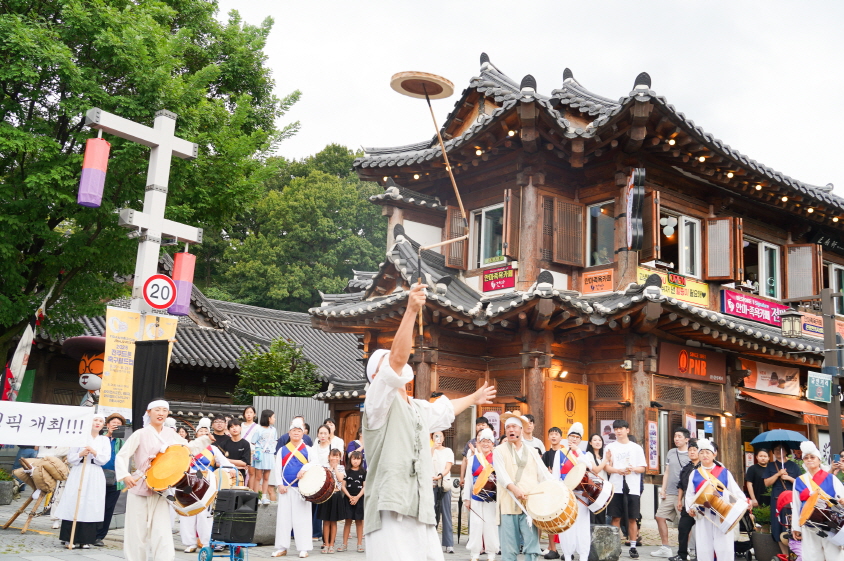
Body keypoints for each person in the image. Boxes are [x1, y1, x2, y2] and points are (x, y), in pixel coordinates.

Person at [361, 283, 496, 561]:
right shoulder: (376, 401)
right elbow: (398, 359)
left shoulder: (417, 407)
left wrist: (474, 397)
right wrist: (410, 310)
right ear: (377, 374)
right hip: (391, 505)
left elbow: (446, 410)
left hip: (420, 506)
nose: (396, 361)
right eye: (387, 362)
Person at [115, 399, 211, 561]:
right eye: (157, 410)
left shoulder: (170, 434)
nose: (161, 414)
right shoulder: (140, 433)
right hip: (140, 485)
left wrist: (205, 440)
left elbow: (187, 449)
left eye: (164, 411)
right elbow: (122, 455)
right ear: (148, 412)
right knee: (136, 531)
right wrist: (125, 475)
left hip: (161, 488)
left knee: (162, 530)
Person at [493, 412, 553, 561]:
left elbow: (544, 474)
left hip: (529, 505)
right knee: (509, 547)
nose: (510, 430)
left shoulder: (532, 452)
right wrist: (515, 490)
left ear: (521, 429)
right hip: (508, 504)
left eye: (514, 427)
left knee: (532, 546)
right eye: (507, 427)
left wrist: (559, 488)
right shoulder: (499, 451)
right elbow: (501, 476)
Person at [54, 413, 111, 548]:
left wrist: (94, 452)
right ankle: (69, 537)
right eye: (95, 420)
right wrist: (81, 454)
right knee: (74, 501)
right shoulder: (79, 438)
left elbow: (105, 458)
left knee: (90, 502)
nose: (97, 423)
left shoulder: (104, 440)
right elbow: (71, 457)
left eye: (100, 421)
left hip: (95, 472)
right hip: (79, 470)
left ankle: (86, 539)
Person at [180, 424, 238, 553]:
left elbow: (224, 462)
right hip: (187, 483)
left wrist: (231, 469)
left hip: (206, 484)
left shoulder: (212, 449)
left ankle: (206, 542)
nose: (203, 433)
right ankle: (190, 543)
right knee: (188, 513)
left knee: (204, 514)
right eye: (201, 431)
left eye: (206, 431)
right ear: (196, 434)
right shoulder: (187, 447)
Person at [684, 439, 746, 561]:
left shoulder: (724, 472)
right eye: (701, 452)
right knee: (704, 545)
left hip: (722, 512)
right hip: (703, 513)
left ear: (714, 454)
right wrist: (690, 508)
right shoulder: (695, 473)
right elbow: (690, 494)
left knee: (724, 545)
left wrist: (744, 503)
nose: (704, 455)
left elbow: (736, 491)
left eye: (708, 452)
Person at [272, 417, 315, 558]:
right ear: (289, 433)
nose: (296, 433)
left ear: (303, 433)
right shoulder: (282, 450)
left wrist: (305, 468)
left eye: (299, 431)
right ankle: (281, 547)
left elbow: (315, 464)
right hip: (286, 488)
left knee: (302, 518)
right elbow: (277, 469)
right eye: (293, 431)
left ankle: (304, 548)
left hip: (301, 490)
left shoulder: (308, 450)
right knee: (283, 519)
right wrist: (280, 484)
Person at [792, 441, 842, 560]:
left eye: (812, 457)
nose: (809, 460)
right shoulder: (799, 480)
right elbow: (796, 504)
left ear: (819, 459)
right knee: (811, 556)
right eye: (806, 458)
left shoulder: (831, 478)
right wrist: (796, 527)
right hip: (809, 524)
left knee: (834, 556)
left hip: (830, 524)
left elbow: (842, 497)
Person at [552, 423, 594, 561]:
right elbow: (556, 475)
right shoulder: (560, 453)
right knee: (567, 524)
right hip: (566, 493)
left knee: (582, 524)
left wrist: (578, 452)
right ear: (568, 438)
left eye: (577, 437)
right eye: (572, 436)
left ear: (580, 440)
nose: (574, 439)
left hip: (582, 494)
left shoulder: (585, 454)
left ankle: (583, 555)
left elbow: (589, 466)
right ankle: (568, 554)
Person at [605, 419, 647, 559]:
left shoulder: (636, 448)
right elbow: (607, 467)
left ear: (627, 430)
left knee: (632, 518)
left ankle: (633, 546)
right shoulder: (610, 447)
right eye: (616, 428)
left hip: (633, 487)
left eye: (621, 428)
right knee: (615, 517)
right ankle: (615, 546)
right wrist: (618, 470)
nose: (618, 431)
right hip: (616, 486)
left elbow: (642, 467)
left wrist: (632, 469)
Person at [653, 427, 691, 558]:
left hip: (685, 493)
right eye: (675, 436)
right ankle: (665, 547)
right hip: (669, 491)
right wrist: (663, 489)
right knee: (659, 516)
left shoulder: (691, 454)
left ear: (687, 439)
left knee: (684, 522)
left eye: (680, 436)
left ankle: (685, 548)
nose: (676, 439)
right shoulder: (671, 452)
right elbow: (667, 471)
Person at [464, 428, 499, 561]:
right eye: (483, 441)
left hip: (492, 498)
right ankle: (475, 553)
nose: (486, 444)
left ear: (492, 444)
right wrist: (466, 499)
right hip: (476, 497)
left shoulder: (497, 459)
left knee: (491, 524)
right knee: (476, 524)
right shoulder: (473, 459)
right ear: (479, 443)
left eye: (488, 442)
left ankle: (491, 553)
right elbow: (468, 479)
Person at [95, 413, 126, 546]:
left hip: (115, 480)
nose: (116, 425)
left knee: (108, 508)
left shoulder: (123, 443)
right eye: (113, 423)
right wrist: (108, 436)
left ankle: (100, 536)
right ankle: (89, 532)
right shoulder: (100, 439)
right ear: (107, 425)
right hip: (98, 476)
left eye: (119, 424)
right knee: (96, 506)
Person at [764, 443, 801, 554]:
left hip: (791, 500)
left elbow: (800, 483)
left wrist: (788, 478)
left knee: (791, 525)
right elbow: (766, 483)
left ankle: (795, 554)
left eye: (780, 449)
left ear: (786, 451)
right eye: (775, 449)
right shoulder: (771, 466)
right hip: (777, 500)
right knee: (778, 526)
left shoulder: (793, 466)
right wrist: (777, 474)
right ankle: (785, 555)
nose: (777, 451)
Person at [669, 440, 699, 561]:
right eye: (690, 450)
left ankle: (701, 554)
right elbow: (681, 485)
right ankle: (682, 554)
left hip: (702, 503)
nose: (692, 452)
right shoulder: (686, 468)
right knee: (683, 528)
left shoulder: (703, 467)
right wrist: (679, 500)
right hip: (688, 502)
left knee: (702, 530)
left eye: (694, 450)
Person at [541, 426, 564, 560]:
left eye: (556, 434)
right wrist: (547, 473)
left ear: (561, 438)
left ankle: (568, 550)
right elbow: (541, 472)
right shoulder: (546, 455)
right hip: (550, 490)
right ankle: (553, 548)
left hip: (564, 490)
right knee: (551, 520)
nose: (554, 436)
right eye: (551, 434)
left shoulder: (565, 453)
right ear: (548, 438)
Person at [317, 448, 346, 553]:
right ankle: (326, 544)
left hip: (336, 495)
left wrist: (335, 469)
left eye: (337, 456)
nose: (335, 458)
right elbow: (323, 479)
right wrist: (330, 468)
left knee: (333, 521)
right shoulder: (324, 467)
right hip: (326, 496)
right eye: (333, 456)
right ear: (329, 457)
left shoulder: (341, 467)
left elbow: (340, 479)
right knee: (325, 521)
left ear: (340, 457)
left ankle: (332, 544)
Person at [431, 430, 455, 554]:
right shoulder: (429, 450)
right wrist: (432, 449)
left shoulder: (448, 451)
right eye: (436, 436)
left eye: (440, 436)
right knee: (431, 514)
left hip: (444, 484)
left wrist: (440, 476)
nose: (438, 438)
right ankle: (431, 543)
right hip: (431, 485)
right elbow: (425, 463)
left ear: (444, 438)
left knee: (446, 514)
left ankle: (449, 543)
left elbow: (448, 467)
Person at [341, 450, 366, 553]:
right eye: (354, 459)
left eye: (358, 459)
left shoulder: (363, 472)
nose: (356, 461)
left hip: (359, 499)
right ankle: (344, 544)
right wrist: (350, 496)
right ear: (350, 459)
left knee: (359, 522)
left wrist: (357, 497)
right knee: (348, 521)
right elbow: (343, 485)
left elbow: (365, 487)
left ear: (361, 460)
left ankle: (359, 544)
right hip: (348, 499)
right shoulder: (346, 471)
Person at [251, 409, 278, 504]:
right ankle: (255, 497)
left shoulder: (273, 430)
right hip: (260, 455)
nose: (274, 419)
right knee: (258, 477)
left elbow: (275, 441)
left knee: (266, 477)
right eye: (273, 417)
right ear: (268, 418)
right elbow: (253, 441)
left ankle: (264, 496)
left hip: (269, 455)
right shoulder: (258, 429)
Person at [459, 417, 490, 488]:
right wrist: (461, 477)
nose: (481, 427)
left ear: (487, 426)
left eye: (483, 425)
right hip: (473, 475)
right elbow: (464, 460)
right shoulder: (471, 442)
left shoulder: (493, 442)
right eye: (478, 425)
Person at [219, 418, 251, 482]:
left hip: (240, 475)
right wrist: (236, 466)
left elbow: (244, 463)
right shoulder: (223, 444)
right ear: (228, 430)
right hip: (225, 474)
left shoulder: (245, 444)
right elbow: (217, 463)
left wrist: (226, 460)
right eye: (231, 427)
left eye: (236, 426)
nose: (234, 428)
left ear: (241, 428)